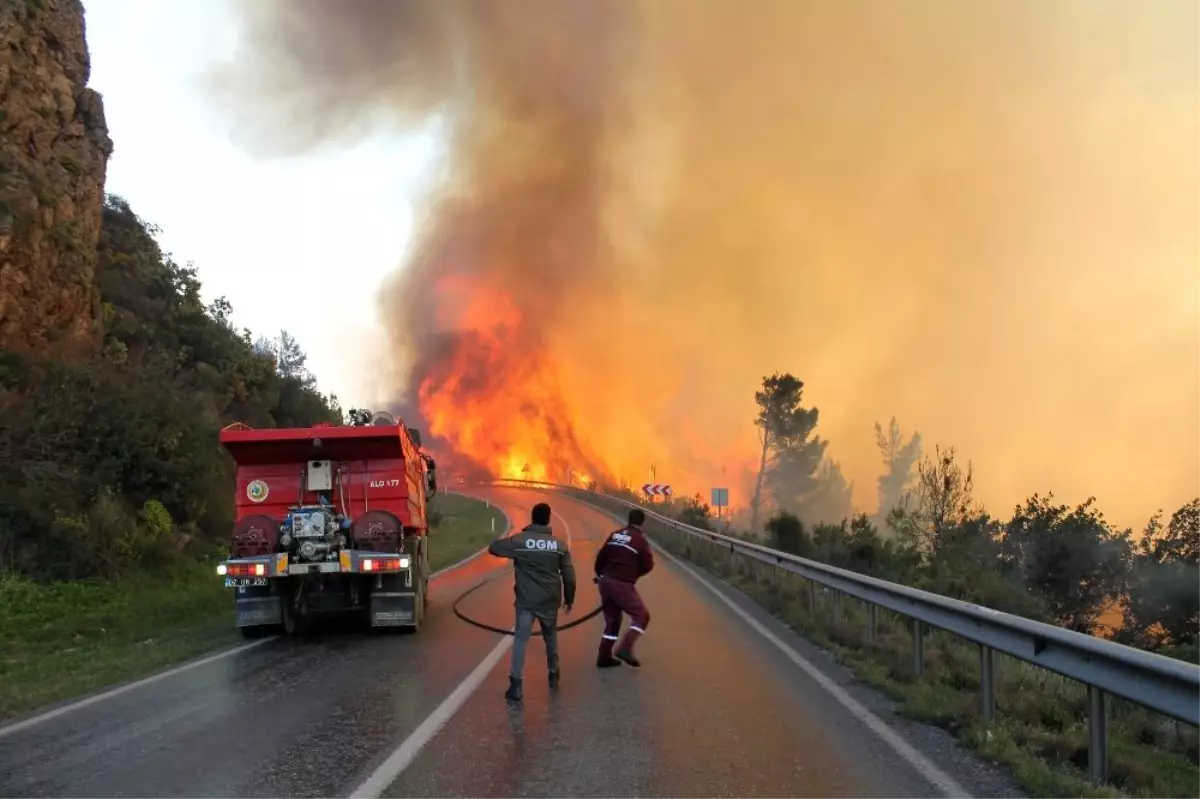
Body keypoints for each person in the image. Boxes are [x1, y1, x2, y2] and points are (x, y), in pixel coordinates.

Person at [488, 502, 576, 702]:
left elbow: (494, 548)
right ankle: (554, 673)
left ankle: (516, 685)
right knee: (550, 637)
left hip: (526, 601)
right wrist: (569, 598)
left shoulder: (520, 541)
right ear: (548, 519)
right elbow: (569, 575)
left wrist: (512, 550)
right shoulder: (560, 546)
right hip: (549, 601)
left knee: (521, 640)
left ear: (532, 518)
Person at [593, 508, 654, 668]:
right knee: (642, 616)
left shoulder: (615, 534)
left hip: (605, 580)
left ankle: (604, 656)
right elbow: (648, 565)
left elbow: (601, 558)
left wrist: (600, 574)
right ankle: (626, 647)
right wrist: (633, 574)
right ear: (642, 523)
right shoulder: (640, 540)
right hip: (620, 583)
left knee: (613, 621)